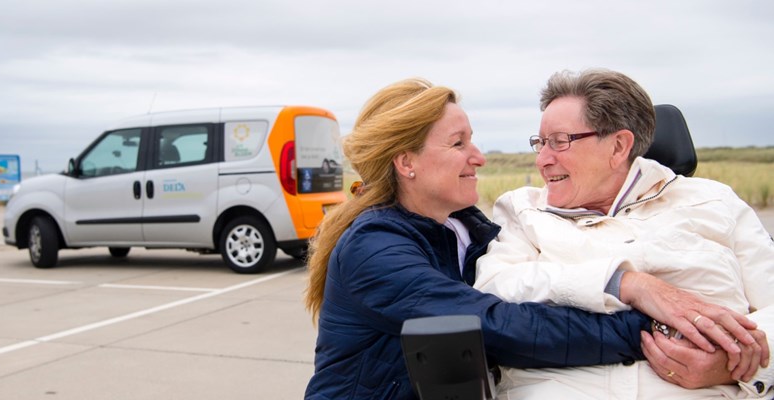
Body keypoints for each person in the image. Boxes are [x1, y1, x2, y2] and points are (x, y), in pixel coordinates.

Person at [302, 78, 753, 400]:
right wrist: (661, 322)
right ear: (407, 163)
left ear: (619, 147)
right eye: (459, 144)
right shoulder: (373, 248)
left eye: (560, 141)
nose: (478, 157)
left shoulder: (467, 227)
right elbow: (496, 324)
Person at [474, 68, 773, 399]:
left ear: (618, 146)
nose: (542, 160)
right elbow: (492, 287)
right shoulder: (523, 210)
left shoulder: (715, 201)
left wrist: (741, 367)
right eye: (540, 143)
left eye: (559, 142)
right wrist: (623, 283)